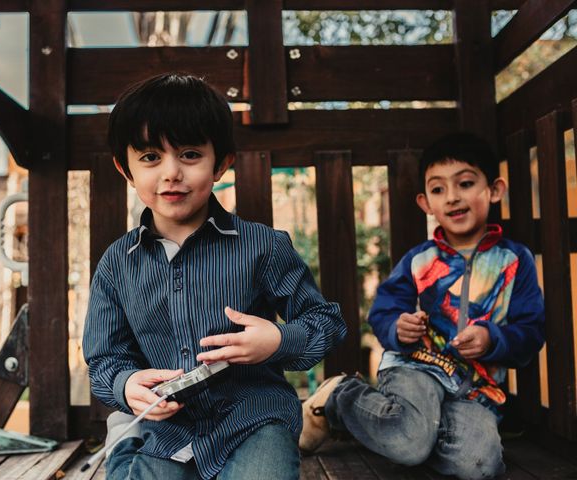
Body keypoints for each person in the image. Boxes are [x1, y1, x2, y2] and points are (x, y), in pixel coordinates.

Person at [82, 73, 346, 480]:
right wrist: (126, 384)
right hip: (165, 429)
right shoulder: (118, 264)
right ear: (126, 169)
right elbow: (104, 358)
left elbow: (326, 322)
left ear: (221, 163)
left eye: (189, 154)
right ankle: (124, 438)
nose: (171, 172)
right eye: (151, 157)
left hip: (253, 419)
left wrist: (277, 341)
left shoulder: (262, 247)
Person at [299, 132, 545, 480]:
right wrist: (398, 326)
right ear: (425, 202)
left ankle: (414, 433)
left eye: (465, 183)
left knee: (479, 466)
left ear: (494, 190)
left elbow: (531, 332)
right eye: (438, 189)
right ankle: (341, 397)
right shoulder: (420, 261)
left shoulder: (514, 261)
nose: (453, 197)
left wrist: (492, 339)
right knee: (410, 442)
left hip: (474, 389)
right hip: (417, 368)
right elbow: (383, 311)